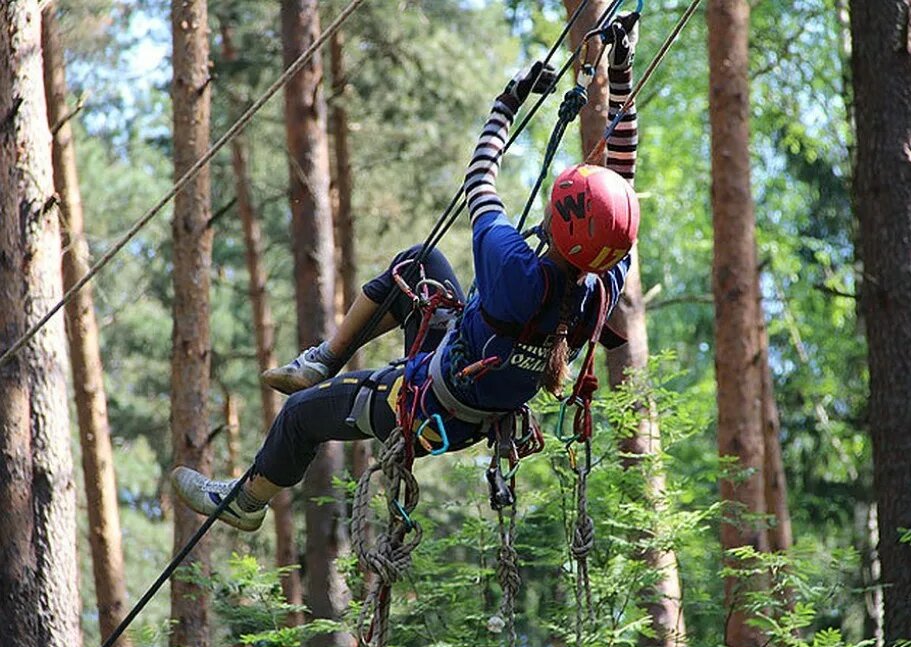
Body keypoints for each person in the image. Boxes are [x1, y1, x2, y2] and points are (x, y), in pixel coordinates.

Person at [171, 12, 642, 532]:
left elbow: (480, 180)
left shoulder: (514, 271)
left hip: (426, 407)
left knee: (302, 416)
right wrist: (620, 73)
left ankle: (247, 500)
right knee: (419, 264)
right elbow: (621, 179)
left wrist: (507, 103)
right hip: (470, 374)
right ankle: (323, 359)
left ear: (556, 225)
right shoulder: (600, 283)